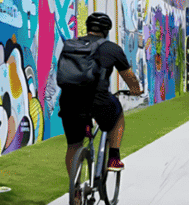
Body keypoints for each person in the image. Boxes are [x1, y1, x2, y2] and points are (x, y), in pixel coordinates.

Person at [59, 12, 143, 178]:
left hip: (69, 102)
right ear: (106, 30)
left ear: (88, 27)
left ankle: (75, 188)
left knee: (73, 145)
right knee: (118, 115)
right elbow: (129, 77)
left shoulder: (71, 46)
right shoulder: (111, 48)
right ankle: (113, 158)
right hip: (98, 101)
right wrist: (135, 90)